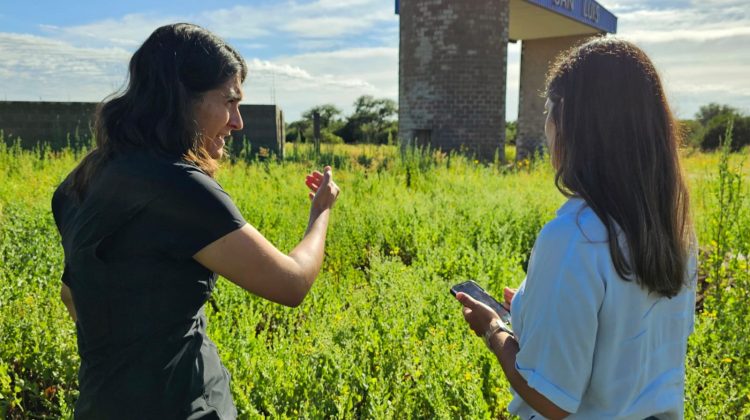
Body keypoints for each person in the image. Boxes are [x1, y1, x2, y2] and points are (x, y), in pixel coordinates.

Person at [51, 23, 339, 419]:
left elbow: (71, 293)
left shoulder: (80, 181)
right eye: (229, 101)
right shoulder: (183, 188)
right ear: (183, 99)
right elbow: (290, 284)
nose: (237, 122)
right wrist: (320, 212)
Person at [455, 37, 697, 419]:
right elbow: (633, 340)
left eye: (549, 112)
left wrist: (493, 330)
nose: (547, 127)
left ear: (572, 123)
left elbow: (550, 398)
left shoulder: (574, 238)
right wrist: (529, 308)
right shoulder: (674, 225)